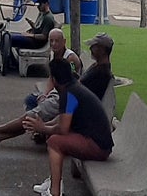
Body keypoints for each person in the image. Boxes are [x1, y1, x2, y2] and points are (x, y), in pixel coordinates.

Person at [0, 29, 79, 146]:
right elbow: (51, 78)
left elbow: (71, 83)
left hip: (64, 97)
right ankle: (2, 136)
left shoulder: (71, 59)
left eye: (57, 41)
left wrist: (49, 97)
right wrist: (44, 94)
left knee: (32, 115)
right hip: (57, 94)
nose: (54, 44)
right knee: (31, 100)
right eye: (51, 41)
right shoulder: (54, 54)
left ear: (64, 42)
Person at [27, 56, 114, 196]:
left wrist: (42, 128)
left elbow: (62, 129)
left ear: (54, 79)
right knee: (52, 136)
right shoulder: (73, 88)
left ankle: (55, 192)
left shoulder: (69, 95)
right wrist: (44, 126)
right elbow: (61, 120)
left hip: (98, 146)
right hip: (98, 141)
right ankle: (54, 181)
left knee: (54, 142)